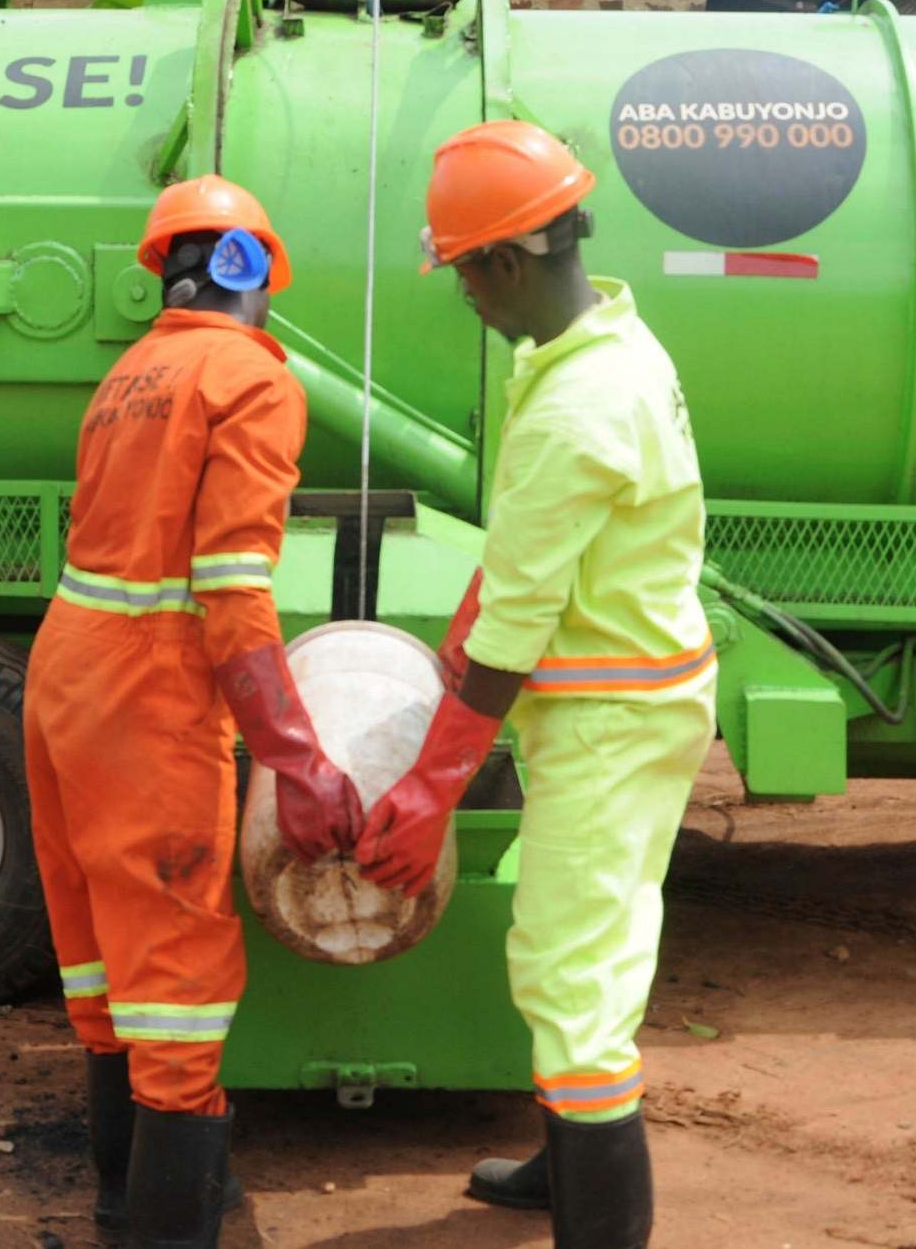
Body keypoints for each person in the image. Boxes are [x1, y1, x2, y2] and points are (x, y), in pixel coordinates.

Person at [356, 121, 714, 1249]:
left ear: (503, 260)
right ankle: (565, 1160)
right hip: (624, 694)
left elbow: (514, 628)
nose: (459, 290)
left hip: (612, 715)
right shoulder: (597, 349)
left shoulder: (574, 407)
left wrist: (425, 795)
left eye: (461, 268)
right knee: (582, 944)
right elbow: (522, 561)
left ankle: (595, 1214)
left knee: (573, 973)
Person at [23, 175, 363, 1248]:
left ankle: (123, 1201)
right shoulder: (249, 378)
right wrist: (297, 760)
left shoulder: (131, 371)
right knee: (175, 982)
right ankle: (167, 1226)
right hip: (145, 688)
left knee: (99, 959)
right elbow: (229, 588)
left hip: (65, 671)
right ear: (250, 271)